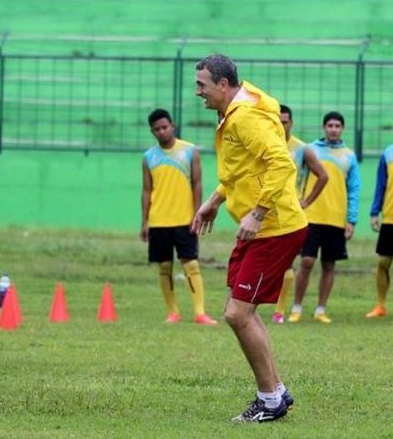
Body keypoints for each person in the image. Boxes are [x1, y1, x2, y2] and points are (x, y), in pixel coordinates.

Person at [192, 54, 307, 423]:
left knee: (237, 313)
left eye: (202, 85)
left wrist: (258, 213)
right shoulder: (239, 109)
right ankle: (275, 391)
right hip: (259, 226)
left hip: (273, 227)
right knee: (243, 312)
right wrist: (213, 200)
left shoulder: (246, 118)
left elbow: (281, 163)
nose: (198, 92)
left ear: (223, 85)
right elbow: (241, 169)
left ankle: (269, 399)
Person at [140, 108, 217, 326]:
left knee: (191, 264)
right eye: (157, 129)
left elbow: (197, 184)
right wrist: (145, 221)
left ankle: (200, 313)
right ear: (152, 132)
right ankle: (173, 312)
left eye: (165, 127)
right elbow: (146, 190)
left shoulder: (190, 151)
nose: (162, 132)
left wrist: (197, 214)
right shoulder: (149, 157)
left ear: (172, 126)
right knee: (164, 267)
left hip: (184, 220)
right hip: (159, 221)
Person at [288, 111, 360, 324]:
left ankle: (321, 309)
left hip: (336, 218)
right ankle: (296, 307)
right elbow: (298, 178)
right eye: (330, 125)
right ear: (324, 127)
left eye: (337, 126)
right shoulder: (309, 150)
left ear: (342, 129)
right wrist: (300, 202)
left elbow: (354, 189)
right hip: (310, 217)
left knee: (329, 265)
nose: (333, 129)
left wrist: (351, 220)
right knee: (307, 261)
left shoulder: (349, 155)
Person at [271, 104, 328, 323]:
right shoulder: (266, 144)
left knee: (288, 262)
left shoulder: (302, 149)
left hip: (292, 214)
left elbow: (322, 176)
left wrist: (306, 201)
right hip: (266, 211)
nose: (281, 125)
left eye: (284, 121)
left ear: (291, 123)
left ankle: (280, 311)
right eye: (277, 121)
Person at [366, 144, 393, 318]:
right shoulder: (388, 153)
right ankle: (381, 306)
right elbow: (381, 184)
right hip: (390, 217)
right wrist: (375, 211)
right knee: (383, 261)